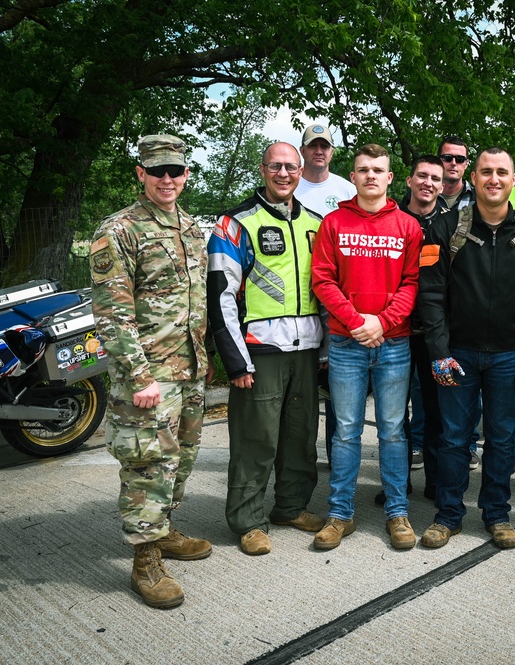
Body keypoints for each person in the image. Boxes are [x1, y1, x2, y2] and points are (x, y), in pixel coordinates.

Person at [418, 147, 515, 550]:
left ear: (514, 179)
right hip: (457, 354)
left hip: (510, 358)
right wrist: (438, 351)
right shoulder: (444, 230)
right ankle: (448, 515)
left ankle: (497, 514)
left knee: (501, 440)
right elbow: (430, 296)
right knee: (452, 439)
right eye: (485, 172)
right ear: (473, 179)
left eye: (501, 172)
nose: (493, 179)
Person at [90, 134, 210, 609]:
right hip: (150, 376)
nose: (167, 179)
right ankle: (144, 559)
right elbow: (111, 313)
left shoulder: (191, 227)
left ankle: (163, 532)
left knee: (181, 458)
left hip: (191, 369)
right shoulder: (119, 230)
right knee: (147, 463)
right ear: (140, 173)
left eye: (175, 171)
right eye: (157, 171)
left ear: (185, 174)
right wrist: (138, 377)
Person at [207, 142, 327, 557]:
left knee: (300, 436)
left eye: (290, 167)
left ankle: (291, 507)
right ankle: (248, 521)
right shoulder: (235, 223)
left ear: (300, 171)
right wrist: (235, 360)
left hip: (308, 350)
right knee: (256, 440)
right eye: (275, 166)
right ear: (262, 169)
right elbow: (220, 295)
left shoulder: (316, 222)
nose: (283, 173)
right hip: (259, 351)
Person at [310, 143, 423, 551]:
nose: (371, 175)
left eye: (378, 169)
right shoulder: (334, 223)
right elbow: (322, 280)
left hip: (393, 345)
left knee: (393, 432)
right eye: (363, 169)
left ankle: (397, 512)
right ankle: (340, 513)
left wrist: (383, 322)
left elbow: (413, 282)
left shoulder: (408, 226)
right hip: (346, 343)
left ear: (391, 178)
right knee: (346, 433)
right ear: (353, 176)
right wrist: (358, 322)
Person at [293, 122, 357, 464]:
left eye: (325, 146)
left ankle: (337, 457)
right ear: (303, 150)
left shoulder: (347, 190)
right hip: (299, 295)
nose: (319, 151)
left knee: (335, 381)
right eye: (313, 146)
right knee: (303, 382)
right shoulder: (289, 185)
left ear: (332, 152)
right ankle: (299, 458)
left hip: (336, 295)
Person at [400, 155, 447, 501]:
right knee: (394, 415)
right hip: (396, 330)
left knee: (436, 412)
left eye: (435, 178)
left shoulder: (451, 225)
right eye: (422, 176)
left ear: (442, 186)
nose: (428, 183)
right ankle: (396, 483)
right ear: (409, 180)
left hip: (436, 332)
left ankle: (436, 480)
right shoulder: (391, 218)